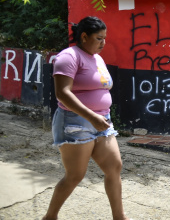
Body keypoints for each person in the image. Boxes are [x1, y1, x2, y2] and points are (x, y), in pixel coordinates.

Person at [43, 16, 128, 220]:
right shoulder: (68, 57)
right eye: (99, 38)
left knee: (114, 166)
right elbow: (63, 93)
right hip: (75, 122)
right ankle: (49, 217)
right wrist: (92, 116)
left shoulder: (97, 58)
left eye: (105, 38)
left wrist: (99, 117)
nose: (103, 43)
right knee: (75, 175)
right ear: (83, 36)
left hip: (102, 121)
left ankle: (120, 217)